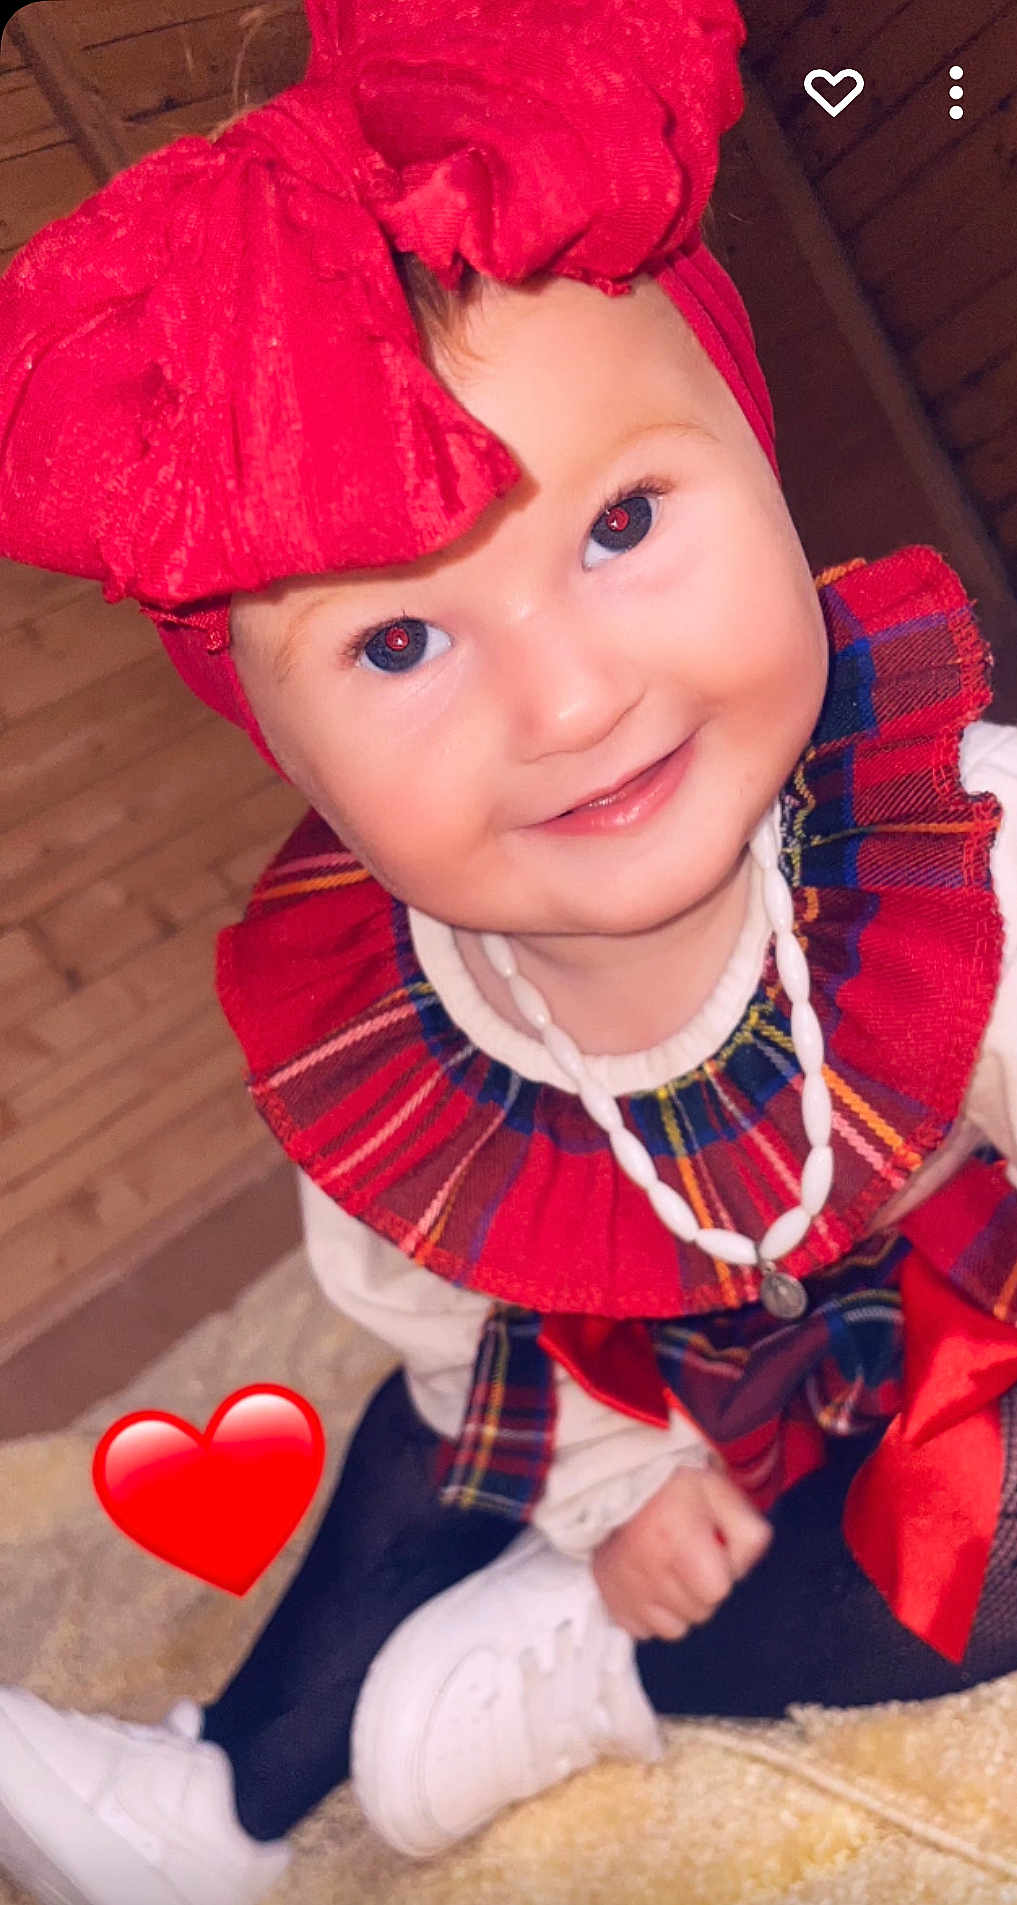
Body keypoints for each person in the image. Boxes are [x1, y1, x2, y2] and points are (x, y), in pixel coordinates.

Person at [2, 0, 1017, 1899]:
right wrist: (614, 1503)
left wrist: (642, 1599)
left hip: (960, 1324)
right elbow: (452, 1336)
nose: (567, 700)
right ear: (277, 750)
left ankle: (612, 1673)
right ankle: (220, 1795)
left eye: (622, 520)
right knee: (432, 1417)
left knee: (996, 1540)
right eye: (398, 644)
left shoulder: (954, 856)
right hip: (682, 1390)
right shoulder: (412, 1037)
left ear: (759, 454)